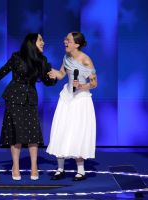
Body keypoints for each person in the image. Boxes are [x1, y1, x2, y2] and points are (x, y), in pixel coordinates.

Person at [0, 33, 57, 180]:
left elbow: (47, 81)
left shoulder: (42, 60)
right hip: (14, 97)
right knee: (16, 134)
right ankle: (16, 166)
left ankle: (34, 166)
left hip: (30, 99)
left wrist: (54, 77)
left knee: (33, 134)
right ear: (32, 42)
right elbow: (0, 74)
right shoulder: (16, 57)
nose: (43, 42)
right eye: (40, 40)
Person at [46, 32, 97, 181]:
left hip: (80, 100)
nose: (65, 42)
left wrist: (81, 85)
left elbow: (94, 83)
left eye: (68, 40)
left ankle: (80, 171)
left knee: (78, 132)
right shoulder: (66, 57)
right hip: (66, 98)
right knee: (61, 129)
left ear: (77, 44)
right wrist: (47, 71)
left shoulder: (86, 60)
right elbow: (61, 74)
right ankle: (60, 169)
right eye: (65, 39)